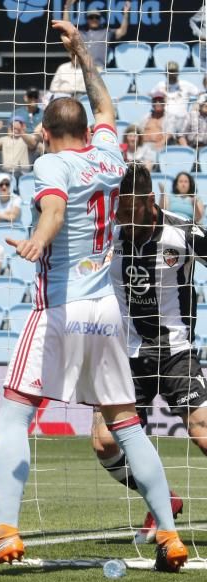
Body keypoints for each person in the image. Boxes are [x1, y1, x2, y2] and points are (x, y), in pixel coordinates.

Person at [0, 20, 187, 575]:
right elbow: (105, 105)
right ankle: (171, 536)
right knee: (128, 424)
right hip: (108, 314)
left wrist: (39, 237)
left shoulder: (50, 163)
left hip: (59, 308)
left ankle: (5, 532)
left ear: (44, 130)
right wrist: (83, 53)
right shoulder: (110, 155)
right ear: (88, 128)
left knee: (16, 417)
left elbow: (56, 209)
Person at [104, 164, 207, 543]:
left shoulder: (181, 231)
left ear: (150, 202)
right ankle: (164, 499)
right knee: (104, 443)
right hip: (128, 356)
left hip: (176, 351)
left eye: (133, 214)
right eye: (122, 214)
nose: (127, 223)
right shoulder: (111, 237)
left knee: (202, 431)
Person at [63, 0, 130, 69]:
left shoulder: (106, 32)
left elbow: (122, 31)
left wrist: (126, 14)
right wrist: (66, 8)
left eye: (97, 17)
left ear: (100, 19)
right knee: (62, 69)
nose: (94, 19)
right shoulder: (80, 32)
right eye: (91, 17)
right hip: (79, 68)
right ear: (87, 19)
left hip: (97, 68)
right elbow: (66, 27)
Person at [150, 61, 199, 141]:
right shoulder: (160, 85)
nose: (171, 73)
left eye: (173, 71)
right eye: (169, 71)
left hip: (182, 119)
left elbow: (199, 94)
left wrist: (196, 104)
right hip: (166, 121)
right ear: (165, 73)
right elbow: (151, 96)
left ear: (177, 72)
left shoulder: (185, 84)